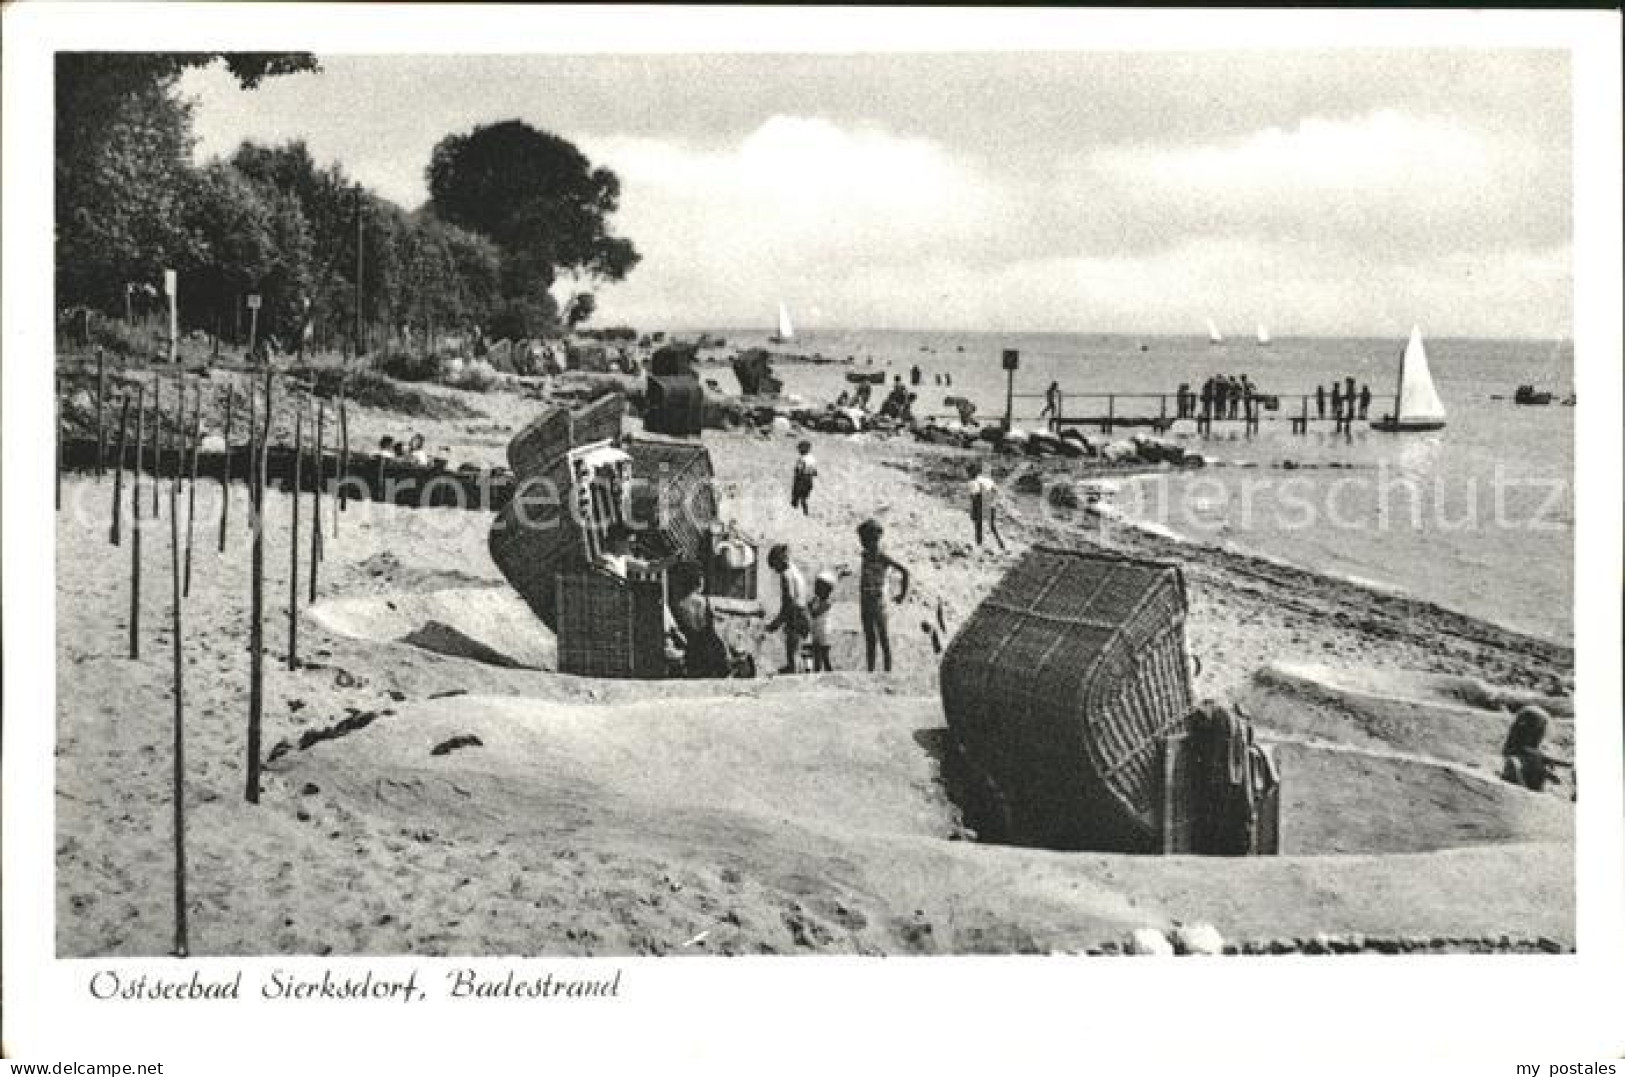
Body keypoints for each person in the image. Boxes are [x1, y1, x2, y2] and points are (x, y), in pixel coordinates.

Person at [856, 519, 909, 673]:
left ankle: (887, 672)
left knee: (883, 637)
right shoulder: (865, 555)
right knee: (870, 638)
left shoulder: (883, 556)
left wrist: (902, 594)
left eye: (864, 540)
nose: (862, 543)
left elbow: (905, 571)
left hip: (879, 601)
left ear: (874, 539)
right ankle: (871, 671)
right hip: (865, 599)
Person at [670, 564, 731, 679]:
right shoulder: (705, 601)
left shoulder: (679, 604)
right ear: (698, 584)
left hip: (693, 648)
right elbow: (712, 624)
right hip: (711, 645)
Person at [1500, 705, 1570, 792]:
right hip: (1521, 783)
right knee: (1514, 763)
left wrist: (1565, 765)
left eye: (1541, 731)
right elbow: (1517, 761)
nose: (1540, 736)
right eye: (1539, 731)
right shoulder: (1517, 754)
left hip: (1532, 784)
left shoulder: (1534, 752)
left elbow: (1544, 759)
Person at [764, 544, 810, 674]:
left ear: (780, 560)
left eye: (775, 566)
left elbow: (788, 603)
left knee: (792, 656)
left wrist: (776, 623)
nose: (775, 570)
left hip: (795, 616)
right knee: (797, 655)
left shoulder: (786, 575)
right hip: (803, 614)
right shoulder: (796, 572)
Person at [966, 461, 1005, 550]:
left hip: (980, 505)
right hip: (990, 505)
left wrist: (973, 511)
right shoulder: (987, 480)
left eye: (968, 472)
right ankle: (1001, 543)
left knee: (978, 526)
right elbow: (997, 491)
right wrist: (994, 501)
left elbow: (974, 497)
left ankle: (979, 545)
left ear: (970, 472)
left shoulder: (972, 482)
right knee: (992, 526)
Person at [806, 571, 837, 672]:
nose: (816, 588)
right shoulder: (817, 600)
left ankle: (829, 672)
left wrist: (811, 606)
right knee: (816, 655)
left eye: (819, 586)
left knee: (825, 656)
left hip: (824, 632)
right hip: (816, 631)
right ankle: (817, 672)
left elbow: (815, 612)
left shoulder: (827, 602)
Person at [790, 440, 817, 515]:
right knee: (803, 498)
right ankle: (805, 513)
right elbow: (815, 472)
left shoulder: (802, 459)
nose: (799, 451)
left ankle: (794, 513)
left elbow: (799, 470)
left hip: (801, 480)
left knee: (795, 497)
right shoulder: (812, 459)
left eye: (799, 449)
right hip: (809, 480)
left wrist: (797, 475)